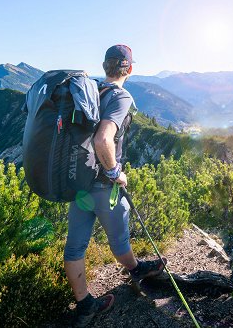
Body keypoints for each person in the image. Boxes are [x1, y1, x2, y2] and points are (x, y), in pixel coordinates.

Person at [63, 44, 166, 327]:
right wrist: (115, 172)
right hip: (103, 187)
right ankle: (136, 270)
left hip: (79, 185)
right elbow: (102, 139)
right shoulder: (120, 96)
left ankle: (85, 305)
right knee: (119, 241)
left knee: (74, 248)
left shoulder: (92, 91)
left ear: (105, 66)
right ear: (129, 69)